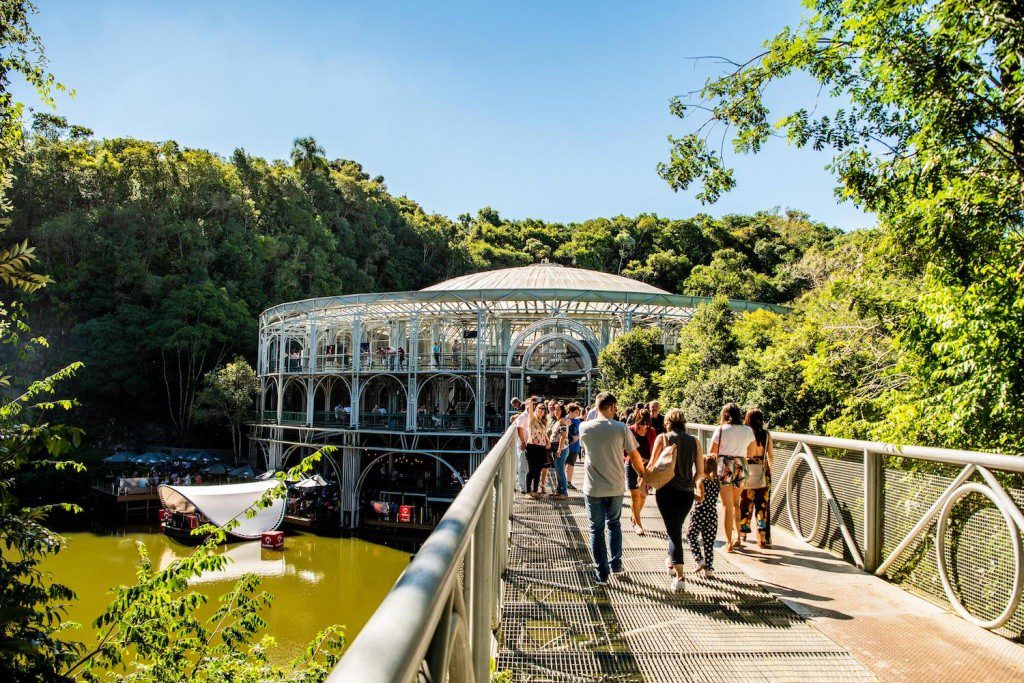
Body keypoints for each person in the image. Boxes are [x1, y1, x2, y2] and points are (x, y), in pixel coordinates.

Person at [579, 392, 646, 584]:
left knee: (596, 529)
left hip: (593, 487)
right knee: (614, 524)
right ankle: (616, 564)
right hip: (616, 486)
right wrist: (643, 474)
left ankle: (602, 573)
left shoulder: (585, 427)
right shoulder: (621, 428)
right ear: (611, 407)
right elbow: (634, 456)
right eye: (615, 408)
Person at [648, 407, 702, 591]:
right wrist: (690, 483)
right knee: (676, 526)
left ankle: (680, 576)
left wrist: (644, 481)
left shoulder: (662, 439)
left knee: (673, 531)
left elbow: (652, 464)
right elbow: (700, 472)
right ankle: (671, 561)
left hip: (666, 490)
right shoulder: (695, 441)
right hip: (686, 493)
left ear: (667, 422)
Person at [711, 402, 757, 552]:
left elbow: (712, 453)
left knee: (726, 505)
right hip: (741, 465)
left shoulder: (721, 430)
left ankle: (728, 543)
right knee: (736, 503)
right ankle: (738, 537)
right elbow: (751, 453)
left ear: (725, 415)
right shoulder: (748, 430)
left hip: (724, 465)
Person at [739, 408, 774, 548]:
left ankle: (743, 533)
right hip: (762, 474)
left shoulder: (746, 434)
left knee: (745, 503)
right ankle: (762, 538)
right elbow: (770, 456)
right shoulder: (766, 434)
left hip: (748, 472)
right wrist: (770, 472)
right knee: (762, 506)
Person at [688, 428, 719, 578]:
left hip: (700, 512)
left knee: (691, 536)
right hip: (712, 514)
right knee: (708, 543)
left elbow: (700, 497)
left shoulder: (702, 481)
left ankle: (699, 560)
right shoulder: (716, 481)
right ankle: (710, 570)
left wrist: (689, 494)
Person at [627, 409, 657, 535]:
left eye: (646, 423)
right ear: (637, 420)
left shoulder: (652, 431)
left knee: (643, 494)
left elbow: (655, 449)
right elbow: (625, 451)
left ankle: (634, 515)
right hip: (632, 465)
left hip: (647, 466)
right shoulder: (630, 430)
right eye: (641, 423)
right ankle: (638, 524)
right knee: (634, 494)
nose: (644, 426)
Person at [524, 402, 550, 497]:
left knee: (538, 470)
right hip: (532, 447)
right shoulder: (532, 419)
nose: (541, 410)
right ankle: (528, 491)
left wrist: (548, 441)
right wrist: (531, 402)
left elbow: (545, 433)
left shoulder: (543, 421)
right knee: (531, 469)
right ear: (536, 409)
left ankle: (535, 490)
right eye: (539, 408)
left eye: (543, 408)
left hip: (541, 448)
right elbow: (530, 411)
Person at [547, 403, 570, 499]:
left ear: (562, 411)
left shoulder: (562, 421)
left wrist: (559, 449)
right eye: (555, 409)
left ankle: (564, 493)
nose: (556, 411)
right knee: (558, 470)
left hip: (561, 449)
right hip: (556, 449)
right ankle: (559, 491)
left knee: (560, 471)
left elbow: (563, 435)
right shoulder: (557, 421)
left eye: (558, 410)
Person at [514, 397, 536, 492]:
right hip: (524, 444)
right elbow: (520, 429)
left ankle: (525, 486)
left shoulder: (533, 415)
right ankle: (522, 487)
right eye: (530, 404)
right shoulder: (522, 416)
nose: (532, 406)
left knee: (528, 466)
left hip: (531, 444)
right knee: (522, 465)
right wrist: (523, 442)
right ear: (526, 405)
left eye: (533, 405)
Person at [565, 403, 582, 490]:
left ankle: (568, 482)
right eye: (575, 412)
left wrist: (577, 437)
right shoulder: (564, 419)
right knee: (563, 465)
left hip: (575, 447)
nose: (577, 413)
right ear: (570, 411)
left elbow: (580, 432)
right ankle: (562, 482)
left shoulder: (577, 421)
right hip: (565, 447)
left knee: (571, 464)